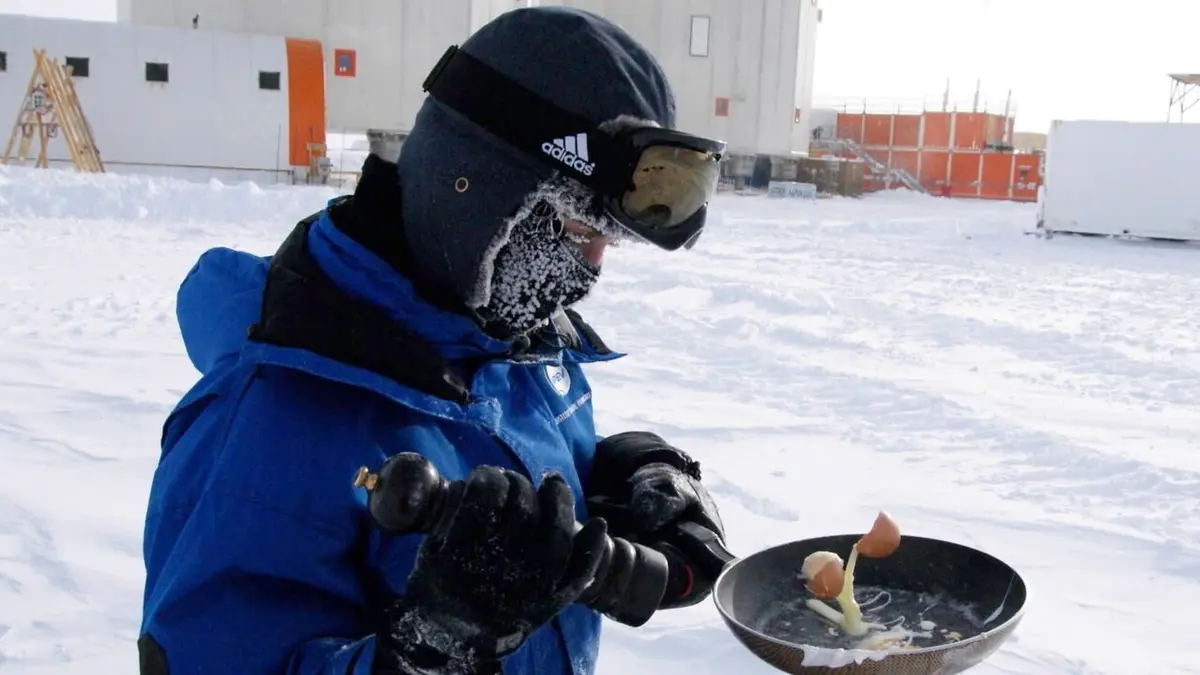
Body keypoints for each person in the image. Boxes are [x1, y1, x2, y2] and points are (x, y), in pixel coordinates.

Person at [138, 6, 729, 675]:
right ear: (476, 194)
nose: (592, 268)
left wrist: (634, 472)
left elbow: (522, 465)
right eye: (575, 229)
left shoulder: (509, 338)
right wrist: (428, 650)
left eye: (608, 242)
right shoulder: (268, 421)